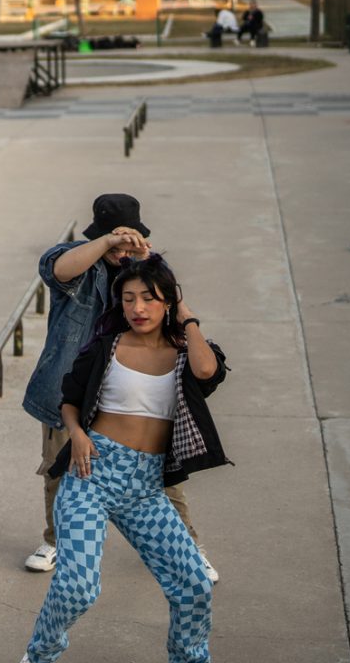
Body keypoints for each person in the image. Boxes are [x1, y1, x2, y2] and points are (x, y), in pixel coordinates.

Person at [17, 255, 231, 663]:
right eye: (129, 298)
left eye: (149, 299)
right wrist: (75, 433)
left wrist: (187, 318)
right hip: (91, 474)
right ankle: (39, 654)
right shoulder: (106, 347)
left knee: (192, 581)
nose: (138, 307)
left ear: (168, 301)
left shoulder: (184, 354)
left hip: (146, 488)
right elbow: (69, 400)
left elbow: (209, 372)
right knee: (78, 586)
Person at [17, 195, 212, 580]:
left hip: (132, 390)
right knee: (62, 469)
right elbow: (55, 267)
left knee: (160, 472)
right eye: (115, 241)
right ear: (101, 235)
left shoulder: (149, 269)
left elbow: (174, 305)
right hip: (69, 389)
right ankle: (56, 541)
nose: (123, 249)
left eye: (130, 240)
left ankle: (187, 545)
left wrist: (147, 264)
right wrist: (106, 243)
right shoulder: (80, 260)